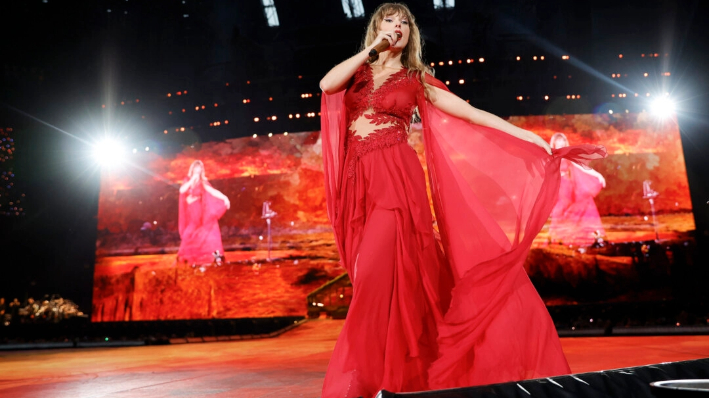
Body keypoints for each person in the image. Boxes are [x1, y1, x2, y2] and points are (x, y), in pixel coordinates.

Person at [319, 3, 606, 397]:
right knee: (386, 282)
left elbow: (474, 115)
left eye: (405, 23)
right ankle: (401, 379)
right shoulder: (358, 72)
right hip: (356, 185)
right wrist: (370, 51)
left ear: (411, 34)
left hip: (395, 182)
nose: (398, 27)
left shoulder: (417, 78)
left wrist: (535, 140)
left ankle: (361, 385)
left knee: (373, 280)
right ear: (377, 27)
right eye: (390, 20)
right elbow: (326, 85)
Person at [548, 133, 607, 246]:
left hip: (569, 187)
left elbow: (582, 167)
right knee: (560, 212)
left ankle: (584, 238)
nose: (561, 144)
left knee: (584, 203)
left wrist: (599, 175)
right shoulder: (551, 156)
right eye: (558, 142)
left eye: (562, 141)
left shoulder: (568, 155)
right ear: (554, 143)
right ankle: (557, 240)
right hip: (559, 188)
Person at [177, 160, 230, 264]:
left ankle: (214, 257)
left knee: (207, 233)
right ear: (192, 169)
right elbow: (182, 190)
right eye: (196, 168)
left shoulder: (203, 182)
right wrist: (192, 180)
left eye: (200, 168)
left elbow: (212, 191)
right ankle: (186, 258)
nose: (198, 170)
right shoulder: (187, 180)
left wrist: (225, 197)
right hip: (191, 214)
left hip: (200, 213)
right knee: (189, 234)